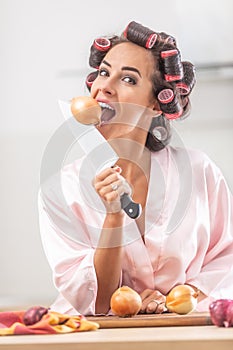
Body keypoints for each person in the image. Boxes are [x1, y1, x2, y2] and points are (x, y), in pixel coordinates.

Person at [38, 21, 233, 316]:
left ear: (157, 104)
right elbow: (96, 301)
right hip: (93, 339)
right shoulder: (58, 191)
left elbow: (226, 261)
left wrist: (181, 297)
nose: (105, 86)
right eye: (104, 72)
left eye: (128, 80)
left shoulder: (199, 171)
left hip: (184, 333)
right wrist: (113, 217)